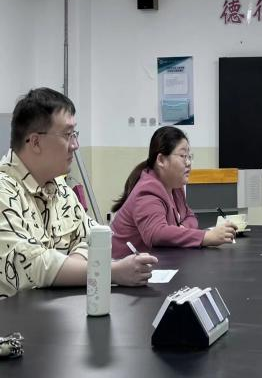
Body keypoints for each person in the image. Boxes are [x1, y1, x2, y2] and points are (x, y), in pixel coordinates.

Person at [0, 87, 157, 299]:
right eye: (67, 135)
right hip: (15, 317)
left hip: (57, 309)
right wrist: (110, 272)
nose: (75, 145)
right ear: (35, 142)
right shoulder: (4, 191)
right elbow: (32, 265)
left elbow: (96, 235)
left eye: (75, 134)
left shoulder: (59, 187)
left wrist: (72, 264)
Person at [110, 126, 236, 259]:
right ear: (161, 160)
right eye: (183, 156)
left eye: (189, 156)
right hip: (123, 265)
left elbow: (190, 217)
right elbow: (156, 233)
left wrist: (181, 228)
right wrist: (206, 237)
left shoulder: (175, 186)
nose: (188, 163)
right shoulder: (147, 191)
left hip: (157, 260)